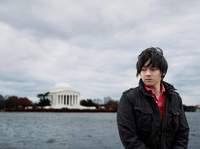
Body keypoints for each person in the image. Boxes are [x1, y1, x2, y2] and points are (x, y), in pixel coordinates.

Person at [117, 47, 189, 149]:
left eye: (153, 69)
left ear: (163, 72)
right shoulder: (128, 98)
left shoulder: (175, 98)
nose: (147, 74)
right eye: (143, 69)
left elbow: (183, 132)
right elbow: (128, 137)